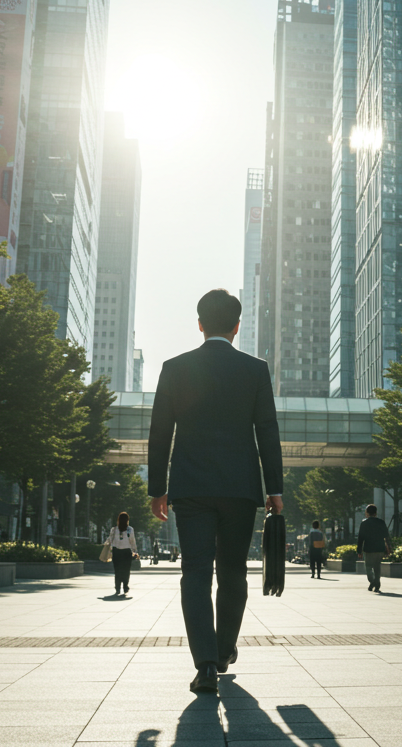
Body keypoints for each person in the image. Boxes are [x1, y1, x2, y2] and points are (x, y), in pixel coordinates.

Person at [148, 289, 283, 694]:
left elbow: (159, 433)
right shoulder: (255, 370)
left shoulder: (175, 367)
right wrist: (274, 488)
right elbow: (268, 431)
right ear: (237, 327)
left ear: (201, 324)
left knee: (195, 572)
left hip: (190, 488)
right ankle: (224, 650)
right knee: (233, 572)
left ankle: (205, 665)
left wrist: (158, 489)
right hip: (241, 488)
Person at [356, 504, 391, 594]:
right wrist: (389, 548)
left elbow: (360, 538)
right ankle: (376, 584)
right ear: (376, 513)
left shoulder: (364, 523)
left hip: (368, 549)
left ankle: (373, 582)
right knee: (377, 567)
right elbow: (386, 536)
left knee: (368, 567)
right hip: (380, 548)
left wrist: (359, 551)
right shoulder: (381, 522)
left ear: (367, 513)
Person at [105, 512, 140, 595]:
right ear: (127, 520)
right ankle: (125, 586)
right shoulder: (130, 529)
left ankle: (117, 588)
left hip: (116, 552)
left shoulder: (114, 529)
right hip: (126, 553)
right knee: (126, 570)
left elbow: (110, 540)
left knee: (117, 570)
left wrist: (106, 546)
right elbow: (132, 541)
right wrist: (135, 550)